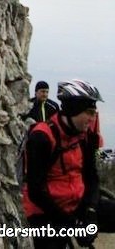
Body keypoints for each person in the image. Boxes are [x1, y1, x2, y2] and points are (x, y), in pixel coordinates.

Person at [22, 79, 115, 247]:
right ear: (73, 110)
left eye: (94, 112)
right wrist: (72, 225)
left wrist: (90, 213)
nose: (93, 118)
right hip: (45, 210)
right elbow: (36, 191)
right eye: (89, 112)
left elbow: (92, 177)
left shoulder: (85, 136)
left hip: (76, 203)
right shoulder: (42, 137)